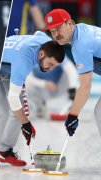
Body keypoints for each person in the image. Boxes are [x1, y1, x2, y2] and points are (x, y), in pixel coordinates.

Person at [0, 31, 65, 168]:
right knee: (1, 112)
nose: (50, 69)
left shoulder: (45, 42)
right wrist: (26, 124)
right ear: (41, 54)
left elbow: (38, 32)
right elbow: (12, 97)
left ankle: (5, 151)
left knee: (19, 112)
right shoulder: (24, 60)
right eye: (50, 64)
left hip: (10, 69)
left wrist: (24, 120)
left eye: (53, 67)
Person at [44, 9, 101, 137]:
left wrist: (72, 116)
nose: (56, 34)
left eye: (59, 28)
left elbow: (85, 86)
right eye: (52, 31)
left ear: (70, 23)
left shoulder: (80, 45)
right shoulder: (82, 30)